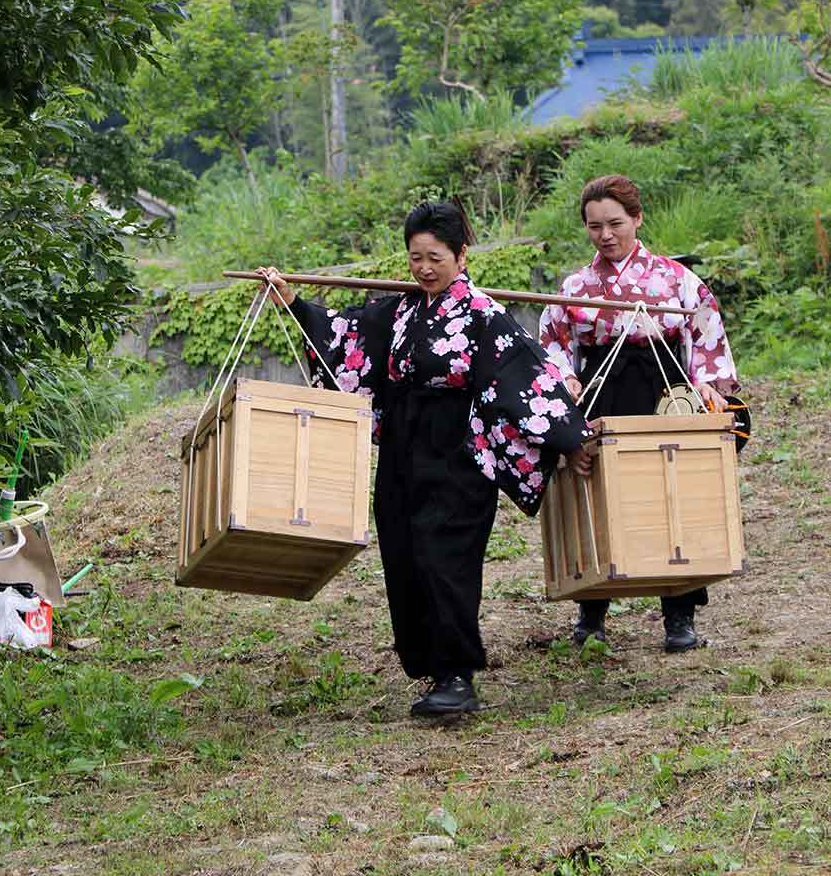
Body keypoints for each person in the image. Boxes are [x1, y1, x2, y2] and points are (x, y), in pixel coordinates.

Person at [258, 200, 589, 717]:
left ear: (460, 254)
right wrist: (293, 301)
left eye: (435, 257)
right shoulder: (399, 310)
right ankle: (433, 667)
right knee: (405, 553)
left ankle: (458, 676)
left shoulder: (485, 316)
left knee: (446, 559)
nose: (424, 268)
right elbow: (344, 337)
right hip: (402, 449)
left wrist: (570, 439)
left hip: (459, 452)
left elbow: (526, 380)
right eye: (415, 257)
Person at [539, 174, 740, 653]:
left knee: (676, 499)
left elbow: (706, 339)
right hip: (602, 394)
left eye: (615, 224)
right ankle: (592, 612)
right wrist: (566, 387)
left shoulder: (676, 279)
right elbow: (553, 350)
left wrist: (707, 392)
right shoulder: (575, 287)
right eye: (594, 227)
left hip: (665, 391)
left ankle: (679, 616)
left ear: (637, 219)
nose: (605, 235)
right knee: (601, 499)